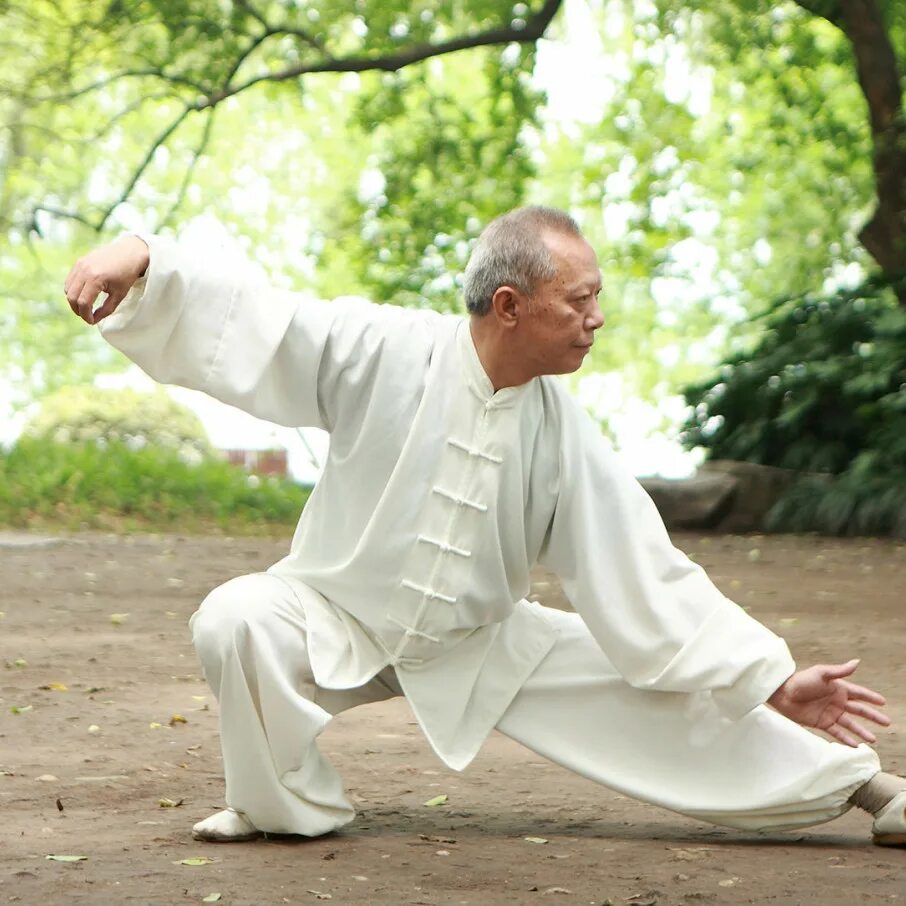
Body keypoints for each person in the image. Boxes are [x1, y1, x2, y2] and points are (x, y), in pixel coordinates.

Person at [64, 206, 905, 847]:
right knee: (235, 617)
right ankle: (281, 808)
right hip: (334, 610)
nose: (596, 319)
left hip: (482, 640)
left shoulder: (563, 430)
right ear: (510, 304)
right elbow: (259, 323)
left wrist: (770, 676)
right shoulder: (382, 347)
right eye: (579, 300)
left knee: (659, 693)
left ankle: (867, 789)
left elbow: (648, 575)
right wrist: (143, 257)